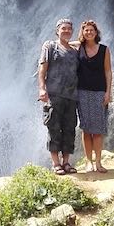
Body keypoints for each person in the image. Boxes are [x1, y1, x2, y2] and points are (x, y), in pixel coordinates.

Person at [38, 17, 79, 174]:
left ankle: (66, 162)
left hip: (71, 95)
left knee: (69, 128)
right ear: (57, 31)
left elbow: (82, 43)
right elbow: (42, 70)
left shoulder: (74, 51)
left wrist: (73, 43)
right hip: (54, 94)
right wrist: (42, 89)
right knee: (54, 128)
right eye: (63, 28)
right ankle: (56, 163)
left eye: (69, 28)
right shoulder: (50, 46)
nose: (66, 30)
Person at [75, 19, 112, 173]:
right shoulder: (78, 48)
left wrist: (108, 92)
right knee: (85, 129)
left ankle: (98, 162)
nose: (89, 32)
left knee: (97, 130)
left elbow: (108, 71)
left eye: (91, 30)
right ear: (82, 33)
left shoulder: (104, 49)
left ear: (96, 33)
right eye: (86, 30)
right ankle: (89, 162)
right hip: (82, 92)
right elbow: (63, 43)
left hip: (99, 92)